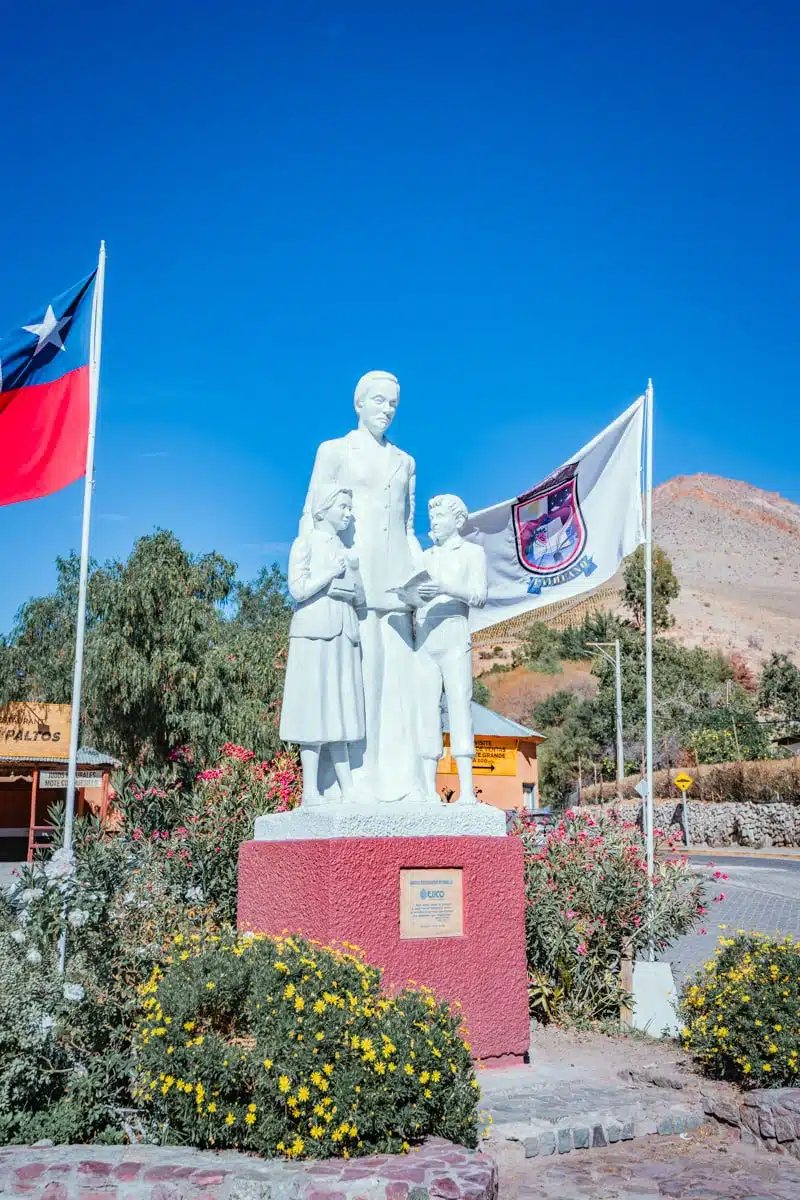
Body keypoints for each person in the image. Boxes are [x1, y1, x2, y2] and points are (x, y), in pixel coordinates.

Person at [300, 371, 425, 803]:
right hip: (351, 583)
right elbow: (312, 514)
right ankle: (352, 778)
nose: (387, 409)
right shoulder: (334, 452)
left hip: (396, 584)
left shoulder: (405, 462)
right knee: (354, 680)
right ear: (359, 403)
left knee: (397, 680)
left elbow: (409, 528)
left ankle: (400, 778)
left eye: (393, 402)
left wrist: (422, 572)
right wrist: (311, 572)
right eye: (379, 400)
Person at [280, 486, 366, 806]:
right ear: (324, 508)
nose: (348, 512)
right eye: (343, 506)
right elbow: (298, 589)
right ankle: (310, 792)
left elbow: (360, 597)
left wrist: (353, 575)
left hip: (344, 629)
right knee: (312, 710)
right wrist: (331, 573)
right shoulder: (305, 543)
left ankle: (348, 787)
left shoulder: (347, 551)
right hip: (314, 630)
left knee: (339, 709)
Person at [415, 494, 488, 803]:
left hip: (455, 631)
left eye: (440, 517)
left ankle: (467, 789)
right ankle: (427, 787)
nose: (434, 523)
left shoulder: (473, 553)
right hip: (425, 633)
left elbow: (479, 595)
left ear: (458, 521)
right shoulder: (424, 556)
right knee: (426, 708)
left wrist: (445, 587)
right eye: (432, 518)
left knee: (460, 705)